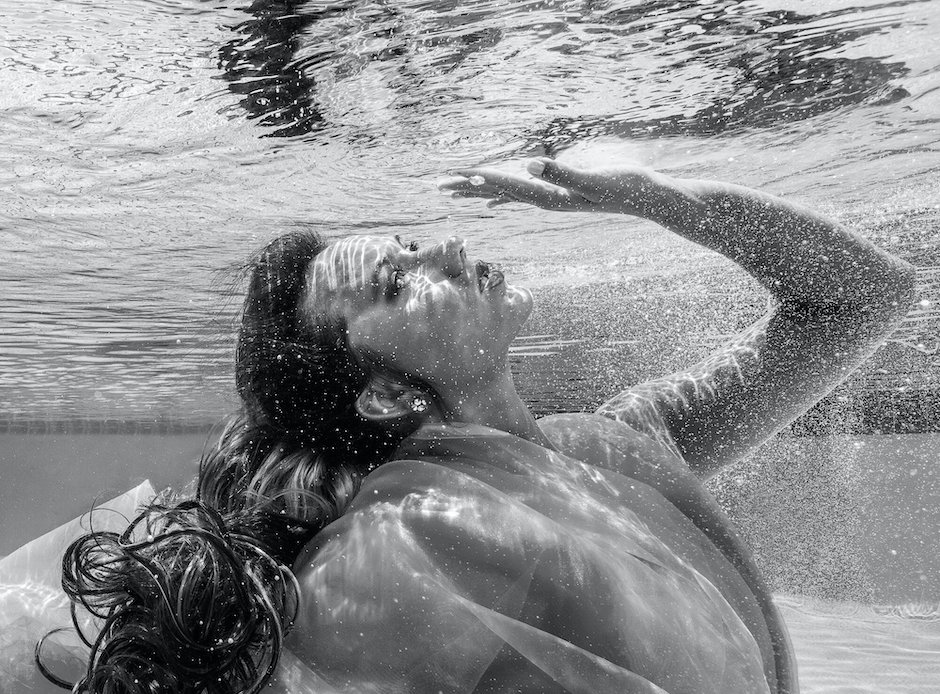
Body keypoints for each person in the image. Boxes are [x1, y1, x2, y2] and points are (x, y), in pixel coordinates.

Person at [15, 158, 912, 694]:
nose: (442, 248)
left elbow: (864, 299)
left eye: (410, 246)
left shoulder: (616, 446)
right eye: (397, 284)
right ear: (383, 397)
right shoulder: (399, 547)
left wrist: (649, 194)